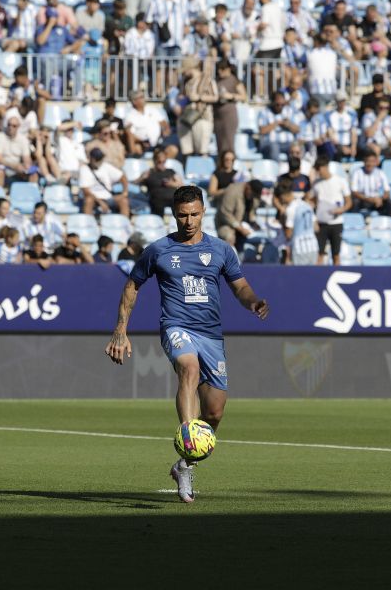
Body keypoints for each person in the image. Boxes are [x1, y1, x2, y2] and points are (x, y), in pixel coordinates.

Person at [104, 185, 269, 503]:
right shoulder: (158, 250)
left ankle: (184, 464)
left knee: (216, 412)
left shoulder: (221, 250)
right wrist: (120, 331)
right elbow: (131, 286)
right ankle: (187, 438)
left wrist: (253, 302)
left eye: (194, 214)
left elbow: (241, 286)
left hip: (211, 334)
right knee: (188, 367)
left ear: (203, 211)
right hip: (176, 327)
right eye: (182, 215)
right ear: (173, 215)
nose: (189, 221)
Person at [308, 155, 350, 265]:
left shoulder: (340, 181)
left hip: (336, 223)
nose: (318, 172)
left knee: (336, 254)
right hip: (321, 223)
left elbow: (349, 202)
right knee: (319, 253)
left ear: (325, 167)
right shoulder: (316, 184)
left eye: (319, 169)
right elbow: (309, 199)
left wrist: (341, 210)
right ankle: (317, 279)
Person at [178, 58, 217, 159]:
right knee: (187, 149)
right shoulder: (185, 81)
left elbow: (215, 97)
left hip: (203, 117)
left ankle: (202, 170)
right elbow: (180, 96)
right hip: (187, 117)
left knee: (202, 149)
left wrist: (199, 98)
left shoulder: (207, 80)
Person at [79, 148, 130, 217]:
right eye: (97, 158)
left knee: (124, 201)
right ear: (91, 159)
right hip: (94, 198)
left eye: (100, 158)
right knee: (89, 200)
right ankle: (88, 223)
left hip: (108, 197)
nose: (99, 161)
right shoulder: (84, 169)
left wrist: (125, 192)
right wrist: (100, 202)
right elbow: (86, 191)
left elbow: (122, 177)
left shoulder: (106, 166)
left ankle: (124, 224)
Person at [279, 180, 318, 265]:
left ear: (284, 196)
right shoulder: (306, 205)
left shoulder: (290, 209)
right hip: (313, 246)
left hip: (300, 249)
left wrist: (282, 220)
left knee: (302, 277)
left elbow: (288, 234)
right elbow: (316, 228)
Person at [213, 59, 246, 157]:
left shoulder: (234, 80)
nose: (220, 71)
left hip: (229, 116)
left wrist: (230, 96)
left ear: (228, 69)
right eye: (218, 69)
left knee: (228, 142)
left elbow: (244, 96)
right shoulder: (216, 80)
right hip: (218, 115)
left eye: (222, 69)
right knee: (219, 142)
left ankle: (230, 165)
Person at [136, 146, 183, 216]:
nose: (161, 164)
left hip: (172, 198)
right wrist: (142, 178)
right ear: (154, 161)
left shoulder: (170, 171)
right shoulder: (148, 172)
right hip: (157, 199)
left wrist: (171, 184)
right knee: (158, 203)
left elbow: (181, 184)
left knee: (179, 202)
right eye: (159, 162)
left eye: (163, 162)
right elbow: (135, 184)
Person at [0, 117, 37, 188]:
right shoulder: (0, 136)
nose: (10, 127)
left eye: (14, 126)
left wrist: (26, 166)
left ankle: (31, 196)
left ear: (18, 127)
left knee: (33, 173)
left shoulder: (23, 139)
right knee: (0, 170)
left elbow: (26, 158)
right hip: (2, 165)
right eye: (9, 125)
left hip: (16, 167)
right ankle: (0, 195)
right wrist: (14, 166)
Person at [257, 91, 302, 161]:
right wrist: (276, 123)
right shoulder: (264, 112)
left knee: (298, 147)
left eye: (282, 104)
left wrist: (288, 125)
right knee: (274, 147)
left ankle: (295, 170)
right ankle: (276, 170)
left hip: (288, 143)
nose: (280, 107)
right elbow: (261, 131)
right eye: (277, 104)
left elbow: (298, 129)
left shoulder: (289, 111)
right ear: (272, 102)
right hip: (270, 143)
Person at [215, 180, 259, 249]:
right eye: (252, 194)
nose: (253, 196)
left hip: (246, 225)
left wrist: (253, 223)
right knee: (229, 237)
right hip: (226, 224)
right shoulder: (232, 191)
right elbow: (225, 213)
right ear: (248, 187)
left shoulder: (255, 196)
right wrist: (240, 228)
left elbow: (252, 212)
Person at [350, 151, 391, 217]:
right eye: (368, 161)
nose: (370, 164)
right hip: (363, 200)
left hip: (377, 200)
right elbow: (354, 192)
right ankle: (354, 223)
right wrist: (369, 199)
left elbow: (387, 191)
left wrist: (380, 199)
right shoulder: (357, 173)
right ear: (364, 161)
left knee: (390, 203)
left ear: (376, 162)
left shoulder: (380, 173)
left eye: (372, 161)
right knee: (355, 202)